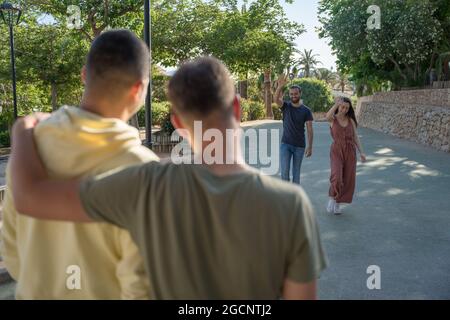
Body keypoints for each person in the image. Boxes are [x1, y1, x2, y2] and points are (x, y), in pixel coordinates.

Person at [10, 56, 327, 300]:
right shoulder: (290, 205)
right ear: (237, 107)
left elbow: (29, 197)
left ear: (177, 122)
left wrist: (23, 129)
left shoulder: (144, 186)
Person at [0, 30, 159, 299]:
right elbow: (143, 287)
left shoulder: (30, 148)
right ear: (139, 88)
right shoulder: (145, 170)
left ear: (85, 74)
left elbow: (13, 256)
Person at [325, 97, 367, 215]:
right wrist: (335, 105)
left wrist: (361, 152)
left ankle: (338, 203)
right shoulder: (333, 119)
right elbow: (327, 116)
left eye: (347, 108)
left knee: (347, 179)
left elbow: (355, 137)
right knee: (337, 176)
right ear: (339, 106)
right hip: (336, 150)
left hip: (350, 151)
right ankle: (332, 198)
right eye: (342, 107)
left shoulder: (351, 120)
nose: (344, 110)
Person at [275, 76, 314, 185]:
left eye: (295, 94)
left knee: (296, 176)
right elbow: (275, 100)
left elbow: (310, 129)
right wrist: (279, 87)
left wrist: (310, 146)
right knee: (284, 174)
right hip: (285, 145)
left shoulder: (306, 111)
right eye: (291, 94)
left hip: (299, 146)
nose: (293, 96)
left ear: (300, 93)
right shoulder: (286, 106)